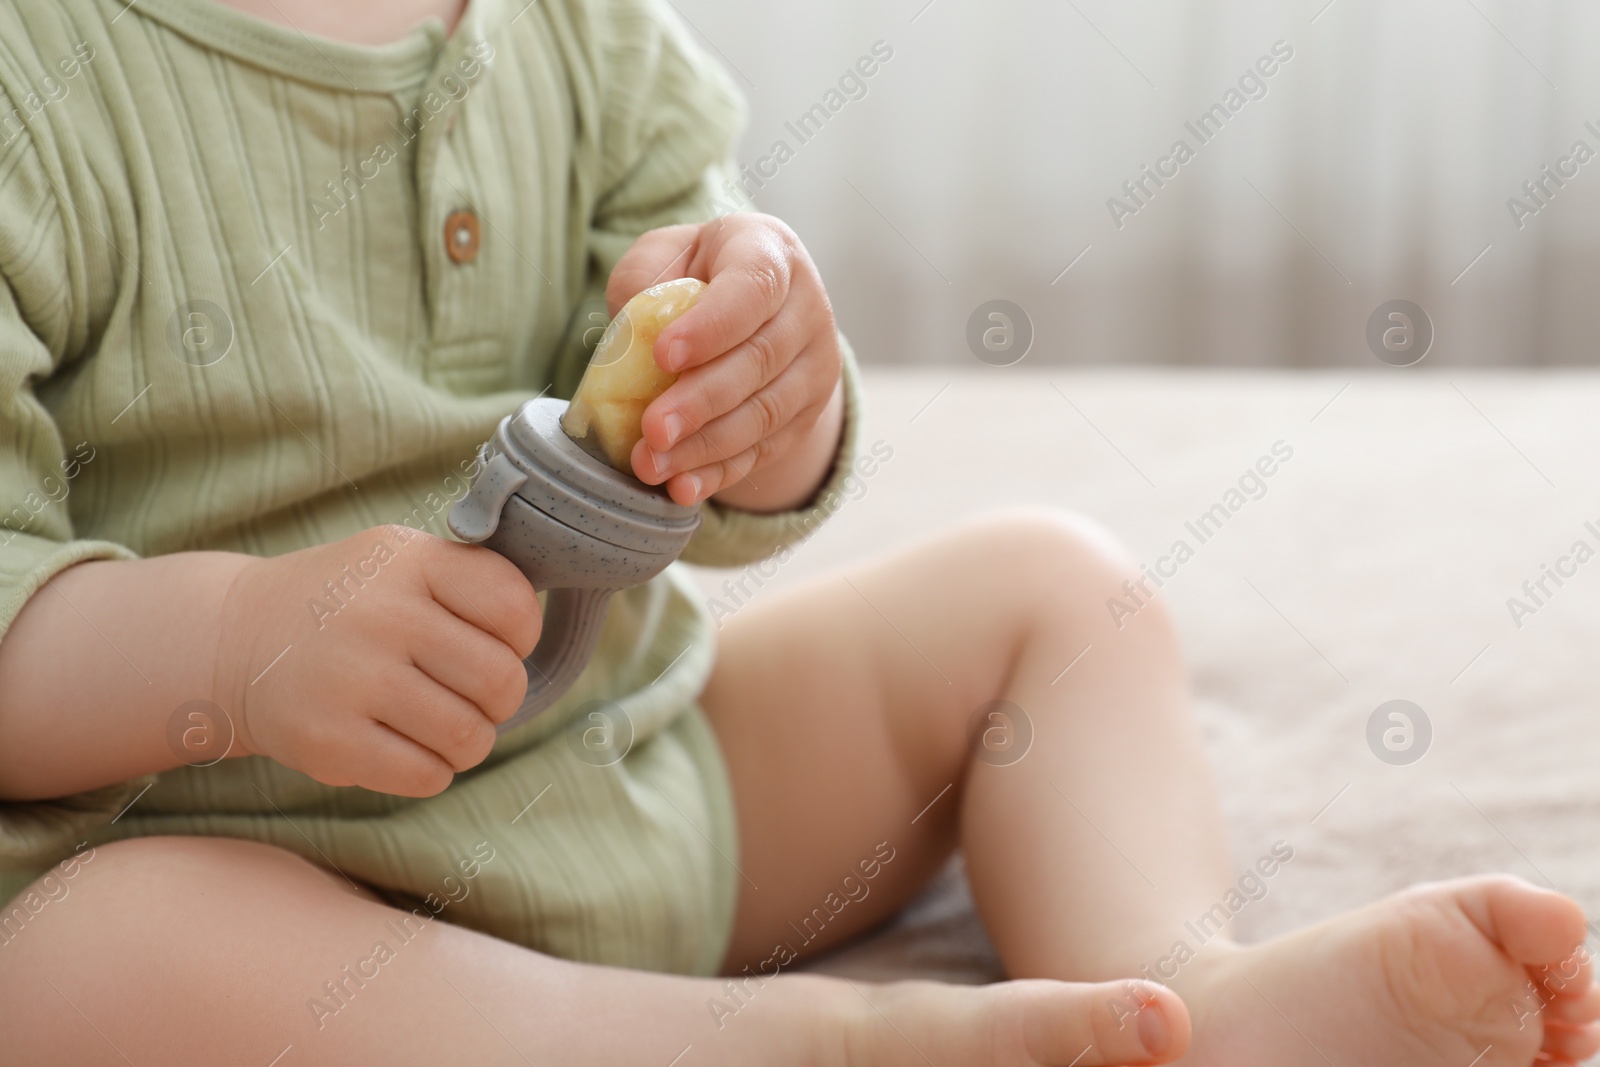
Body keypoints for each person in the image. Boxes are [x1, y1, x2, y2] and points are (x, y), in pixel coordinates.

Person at [0, 1, 1595, 1063]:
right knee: (61, 968)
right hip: (245, 867)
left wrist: (773, 395)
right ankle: (799, 1042)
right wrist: (230, 647)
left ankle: (1185, 991)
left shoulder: (583, 34)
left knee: (1057, 591)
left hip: (642, 779)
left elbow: (694, 467)